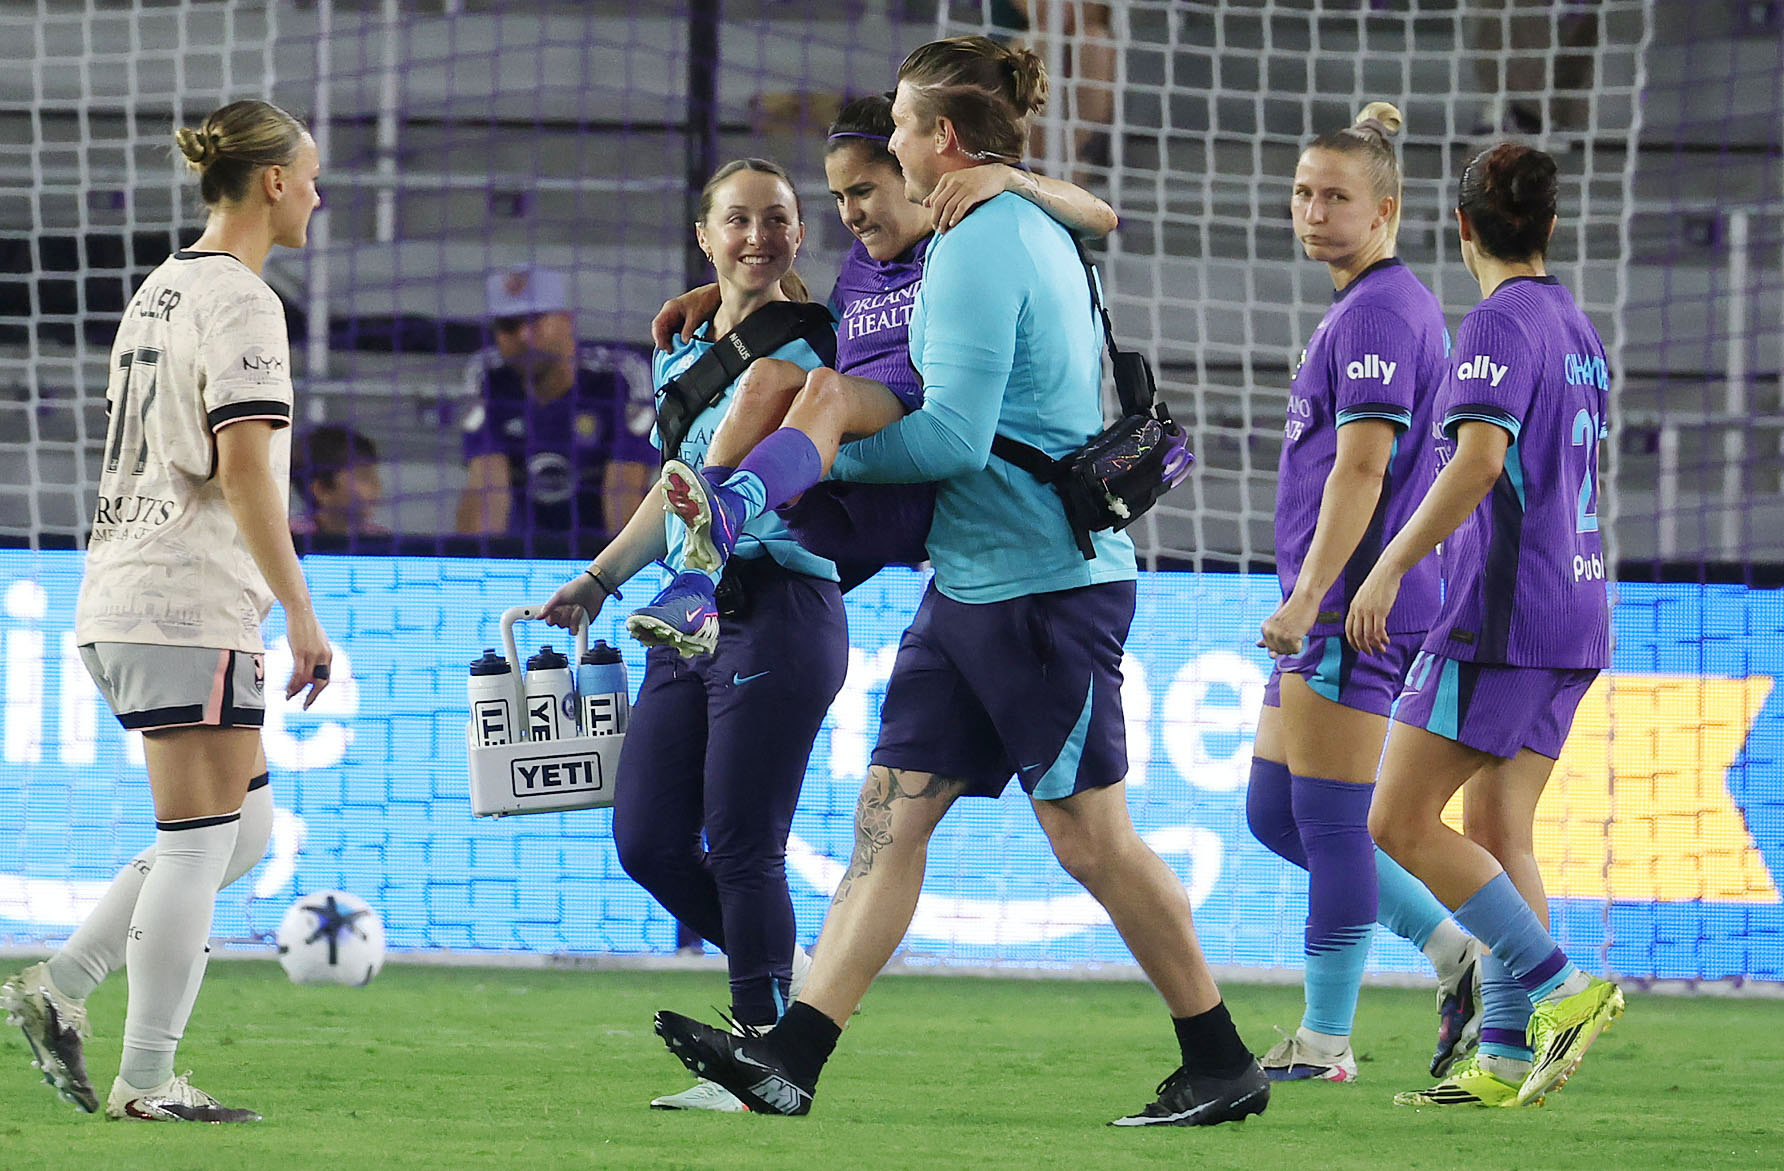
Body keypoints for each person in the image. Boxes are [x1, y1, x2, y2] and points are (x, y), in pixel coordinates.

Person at [652, 36, 1268, 1128]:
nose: (883, 145)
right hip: (974, 583)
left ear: (940, 139)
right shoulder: (997, 220)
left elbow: (951, 442)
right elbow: (1087, 222)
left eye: (896, 127)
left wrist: (826, 455)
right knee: (888, 815)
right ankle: (790, 1054)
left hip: (1040, 586)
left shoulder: (982, 243)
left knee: (1090, 838)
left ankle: (1218, 1057)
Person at [1, 99, 331, 1124]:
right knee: (199, 839)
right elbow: (243, 474)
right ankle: (148, 1080)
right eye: (312, 175)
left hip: (122, 589)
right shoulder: (242, 301)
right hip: (185, 601)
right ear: (271, 180)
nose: (319, 194)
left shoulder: (159, 287)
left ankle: (60, 985)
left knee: (242, 830)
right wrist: (302, 613)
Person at [536, 158, 847, 1113]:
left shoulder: (816, 345)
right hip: (682, 610)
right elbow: (673, 499)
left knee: (744, 843)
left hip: (778, 605)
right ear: (705, 238)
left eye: (779, 220)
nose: (760, 237)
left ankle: (761, 1055)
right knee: (647, 839)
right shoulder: (678, 351)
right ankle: (791, 983)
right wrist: (596, 579)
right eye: (739, 221)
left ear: (802, 234)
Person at [1349, 142, 1622, 1108]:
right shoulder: (1575, 327)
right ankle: (1507, 1053)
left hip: (1504, 617)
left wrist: (1387, 569)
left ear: (1460, 227)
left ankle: (1561, 990)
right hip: (1580, 606)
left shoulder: (1498, 324)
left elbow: (1478, 460)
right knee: (1497, 825)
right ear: (1547, 225)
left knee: (1395, 818)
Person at [648, 92, 1117, 607]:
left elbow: (1100, 216)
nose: (850, 213)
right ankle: (697, 570)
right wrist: (725, 289)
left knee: (826, 388)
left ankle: (733, 507)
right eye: (838, 197)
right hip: (830, 505)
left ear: (911, 176)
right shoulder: (861, 263)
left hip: (903, 486)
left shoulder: (960, 239)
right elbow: (810, 315)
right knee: (766, 376)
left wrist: (1011, 177)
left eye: (863, 191)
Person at [1246, 102, 1484, 1085]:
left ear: (1383, 210)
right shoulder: (1358, 303)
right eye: (1303, 192)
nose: (1312, 211)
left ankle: (1326, 1037)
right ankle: (1454, 951)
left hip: (1353, 604)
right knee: (1274, 813)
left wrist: (1310, 598)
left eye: (1335, 197)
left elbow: (1361, 469)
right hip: (1334, 597)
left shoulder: (1382, 310)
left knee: (1334, 821)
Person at [455, 265, 656, 552]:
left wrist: (614, 576)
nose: (524, 335)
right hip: (521, 556)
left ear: (566, 320)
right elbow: (487, 489)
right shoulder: (487, 376)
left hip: (601, 555)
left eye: (535, 320)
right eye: (509, 325)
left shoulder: (620, 376)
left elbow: (624, 490)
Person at [291, 423, 387, 537]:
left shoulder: (381, 540)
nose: (377, 485)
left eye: (375, 476)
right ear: (322, 490)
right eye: (364, 477)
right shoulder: (289, 540)